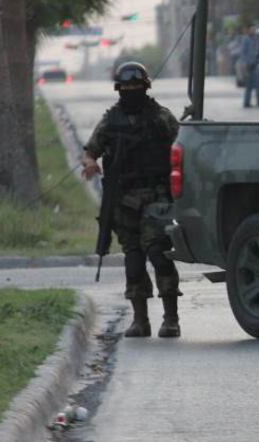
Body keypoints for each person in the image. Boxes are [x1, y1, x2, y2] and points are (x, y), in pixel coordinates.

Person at [82, 62, 182, 338]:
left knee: (158, 253)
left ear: (146, 88)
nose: (131, 92)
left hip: (156, 195)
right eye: (126, 88)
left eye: (136, 88)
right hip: (124, 200)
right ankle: (140, 320)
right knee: (134, 260)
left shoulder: (161, 117)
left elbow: (183, 144)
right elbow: (91, 150)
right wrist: (90, 164)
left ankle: (171, 318)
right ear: (119, 90)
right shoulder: (110, 121)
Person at [239, 23, 259, 108]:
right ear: (249, 30)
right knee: (248, 86)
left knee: (258, 84)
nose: (254, 31)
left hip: (255, 65)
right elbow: (243, 53)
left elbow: (258, 51)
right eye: (252, 29)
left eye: (255, 29)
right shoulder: (245, 39)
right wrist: (245, 64)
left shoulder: (256, 39)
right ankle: (246, 103)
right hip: (248, 66)